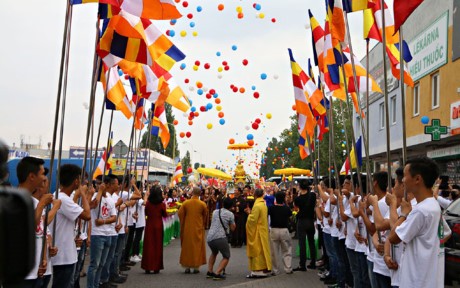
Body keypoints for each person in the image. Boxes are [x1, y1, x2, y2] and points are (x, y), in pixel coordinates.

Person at [389, 157, 450, 288]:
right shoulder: (434, 206)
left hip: (416, 281)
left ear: (417, 179)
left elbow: (393, 238)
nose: (403, 180)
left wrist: (404, 214)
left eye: (405, 176)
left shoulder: (420, 211)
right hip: (429, 279)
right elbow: (446, 233)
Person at [51, 164, 91, 288]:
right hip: (64, 255)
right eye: (81, 180)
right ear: (76, 181)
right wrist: (83, 194)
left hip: (65, 251)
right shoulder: (63, 199)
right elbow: (87, 215)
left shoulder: (57, 194)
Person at [86, 178, 117, 288]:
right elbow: (93, 205)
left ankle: (96, 284)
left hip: (108, 234)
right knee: (95, 264)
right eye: (98, 184)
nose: (99, 185)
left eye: (101, 183)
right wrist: (99, 191)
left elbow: (114, 217)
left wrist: (103, 221)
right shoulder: (95, 195)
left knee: (102, 264)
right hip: (97, 234)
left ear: (107, 184)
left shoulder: (110, 199)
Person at [178, 186, 208, 273]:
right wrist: (202, 223)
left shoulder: (186, 203)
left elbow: (180, 214)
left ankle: (187, 267)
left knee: (187, 247)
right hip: (198, 227)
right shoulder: (202, 204)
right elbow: (205, 216)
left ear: (192, 193)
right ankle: (196, 267)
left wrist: (184, 223)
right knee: (197, 247)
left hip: (187, 227)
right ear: (200, 194)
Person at [206, 197, 236, 280]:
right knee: (226, 256)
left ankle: (210, 271)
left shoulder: (215, 211)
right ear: (231, 206)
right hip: (220, 237)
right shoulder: (230, 214)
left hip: (210, 237)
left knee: (214, 252)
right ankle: (217, 273)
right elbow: (233, 228)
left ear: (223, 204)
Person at [245, 188, 272, 278]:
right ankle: (265, 267)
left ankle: (258, 269)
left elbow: (253, 220)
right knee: (263, 249)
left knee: (257, 250)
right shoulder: (263, 204)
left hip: (258, 232)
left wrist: (249, 214)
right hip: (263, 230)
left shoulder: (257, 206)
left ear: (255, 195)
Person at [141, 185, 167, 274]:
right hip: (158, 225)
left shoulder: (148, 203)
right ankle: (156, 267)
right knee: (158, 246)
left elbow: (146, 212)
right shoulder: (162, 204)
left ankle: (147, 267)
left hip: (149, 225)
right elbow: (165, 215)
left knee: (148, 246)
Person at [293, 179, 316, 271]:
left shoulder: (298, 198)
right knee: (311, 242)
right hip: (310, 221)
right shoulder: (312, 195)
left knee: (302, 243)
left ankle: (302, 265)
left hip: (302, 221)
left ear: (300, 186)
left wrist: (298, 194)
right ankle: (313, 262)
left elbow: (296, 206)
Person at [268, 191, 293, 275]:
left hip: (274, 230)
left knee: (274, 252)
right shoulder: (286, 208)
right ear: (284, 199)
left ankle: (275, 270)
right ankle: (288, 268)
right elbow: (290, 216)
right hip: (284, 230)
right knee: (286, 250)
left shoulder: (271, 208)